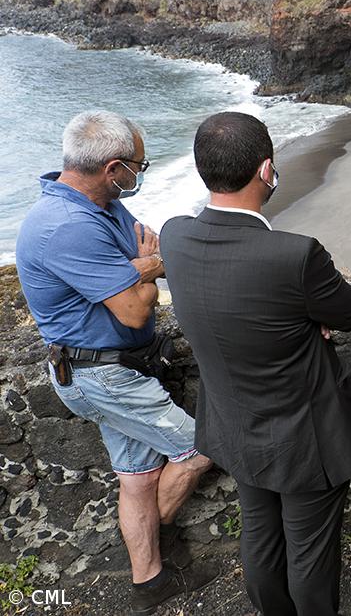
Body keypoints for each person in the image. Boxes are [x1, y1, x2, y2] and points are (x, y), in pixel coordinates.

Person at [159, 112, 351, 616]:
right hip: (305, 436)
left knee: (261, 538)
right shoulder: (294, 255)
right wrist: (309, 316)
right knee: (309, 553)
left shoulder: (174, 237)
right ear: (267, 170)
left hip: (235, 425)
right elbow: (347, 314)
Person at [15, 111, 216, 615]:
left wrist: (139, 268)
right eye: (138, 166)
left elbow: (157, 252)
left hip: (119, 366)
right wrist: (143, 270)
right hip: (98, 375)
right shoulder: (65, 227)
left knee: (137, 476)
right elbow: (135, 305)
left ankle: (149, 583)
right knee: (197, 449)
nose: (140, 174)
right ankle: (164, 542)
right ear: (112, 168)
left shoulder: (99, 206)